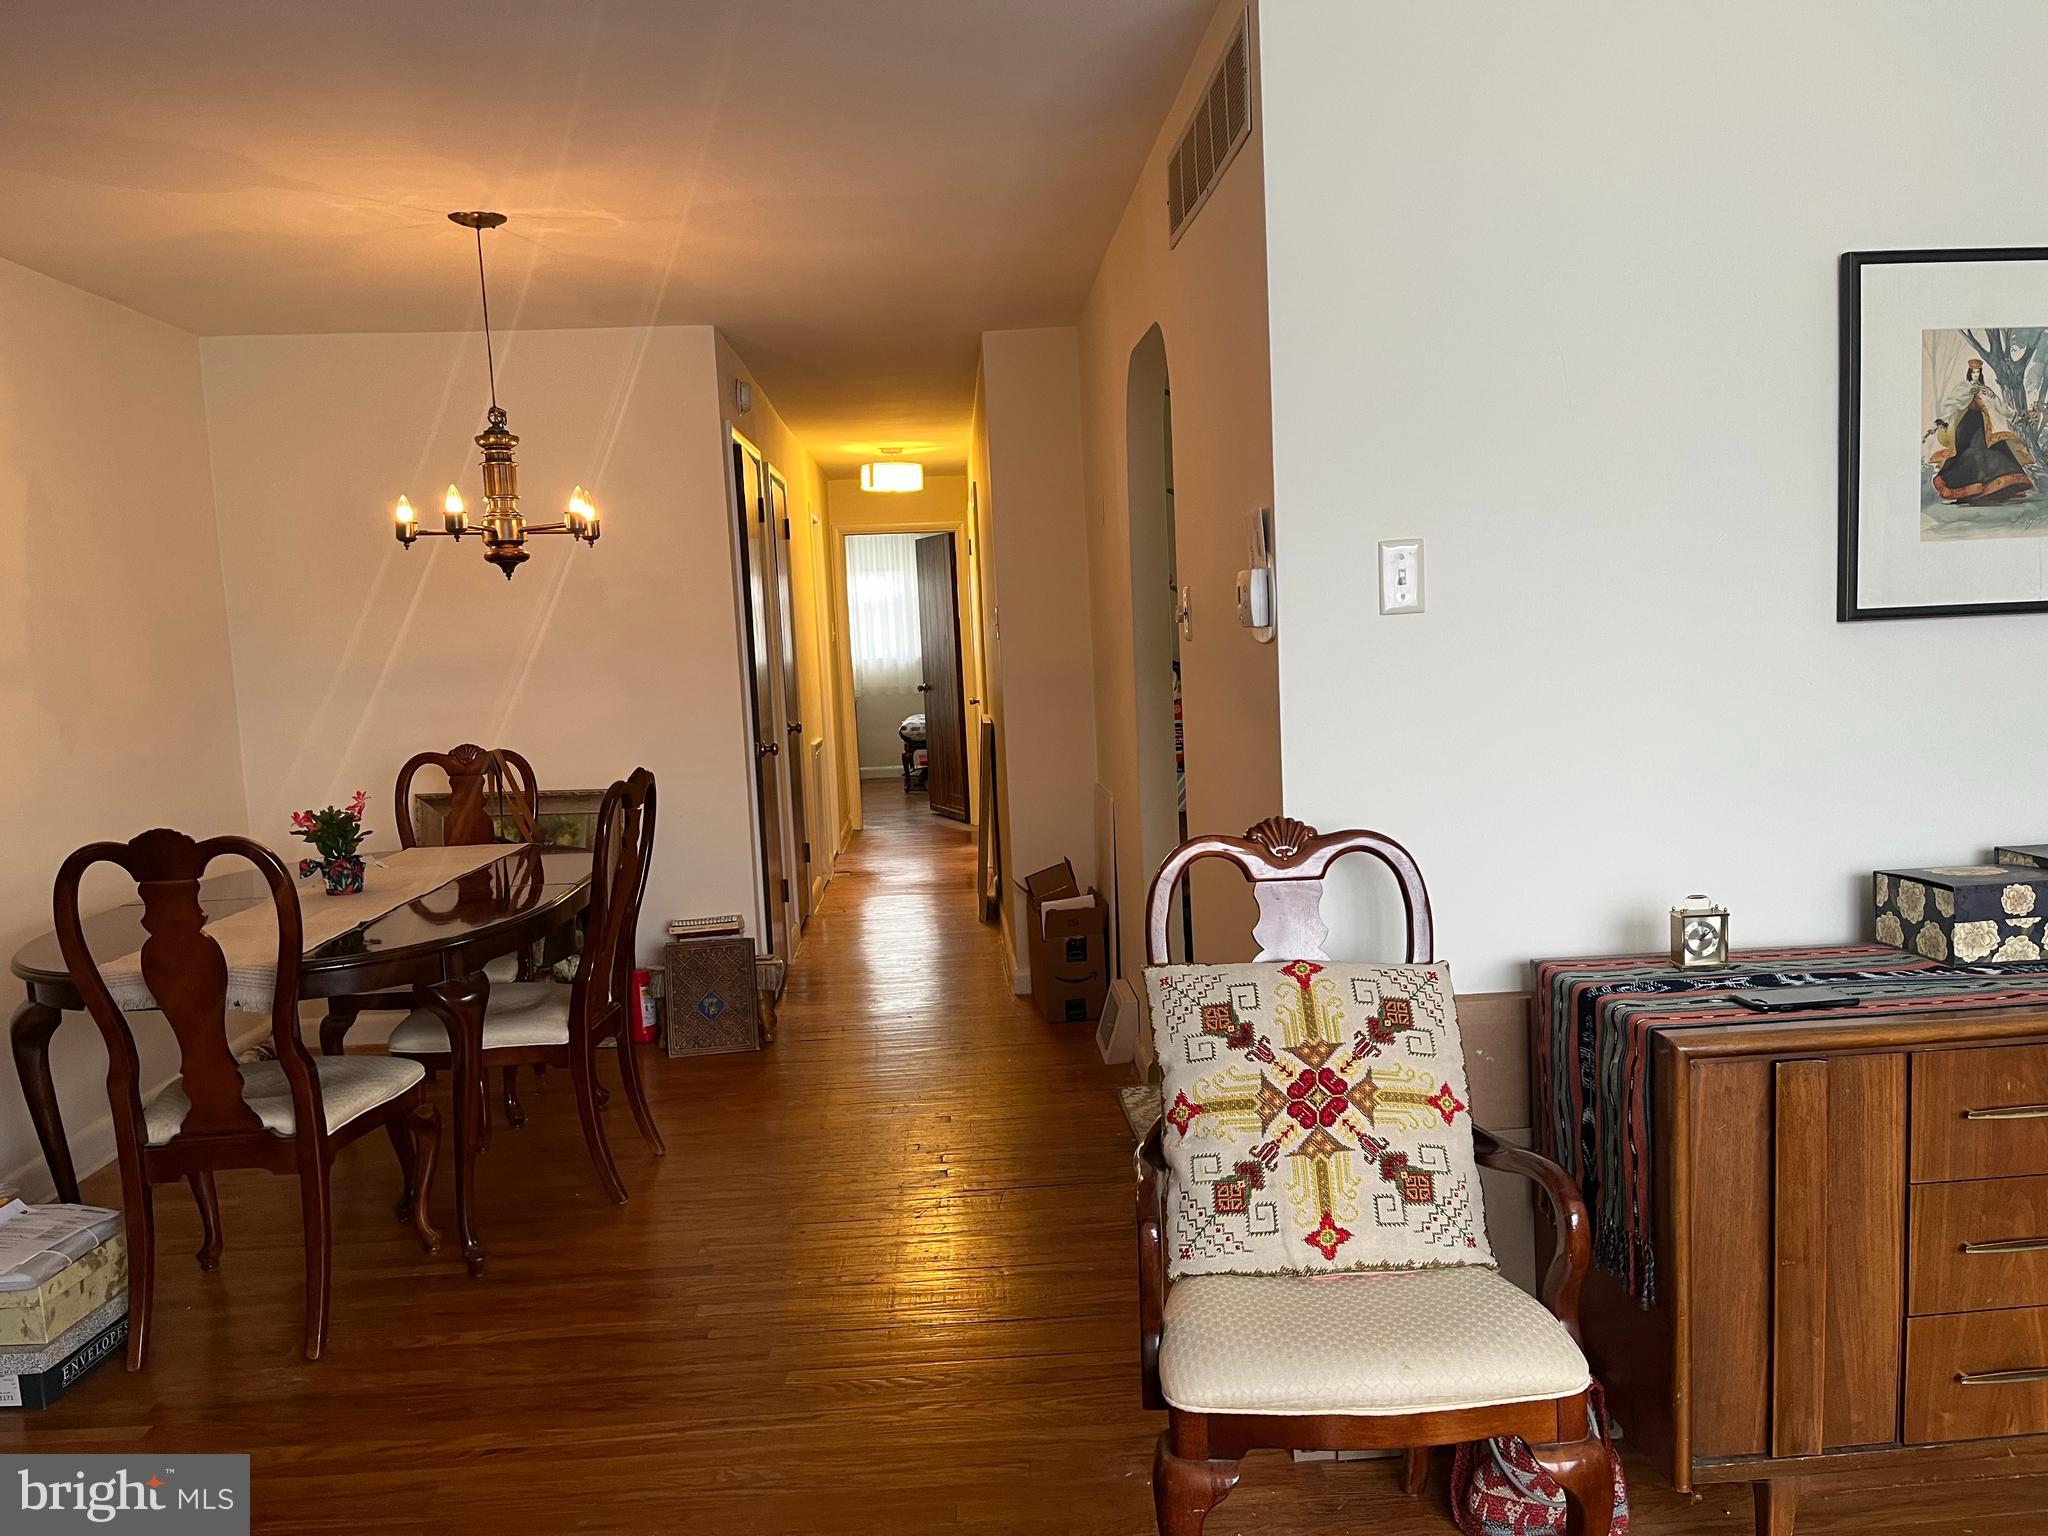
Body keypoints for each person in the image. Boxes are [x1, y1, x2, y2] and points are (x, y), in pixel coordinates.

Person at [1929, 357, 2035, 504]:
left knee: (1994, 453)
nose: (1975, 375)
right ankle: (1965, 490)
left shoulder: (1986, 390)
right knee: (1970, 455)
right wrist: (1940, 422)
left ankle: (1995, 489)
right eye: (1973, 373)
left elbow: (1999, 406)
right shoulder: (1963, 388)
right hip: (1967, 427)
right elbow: (1951, 405)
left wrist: (2016, 416)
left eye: (1978, 373)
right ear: (1969, 373)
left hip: (1985, 425)